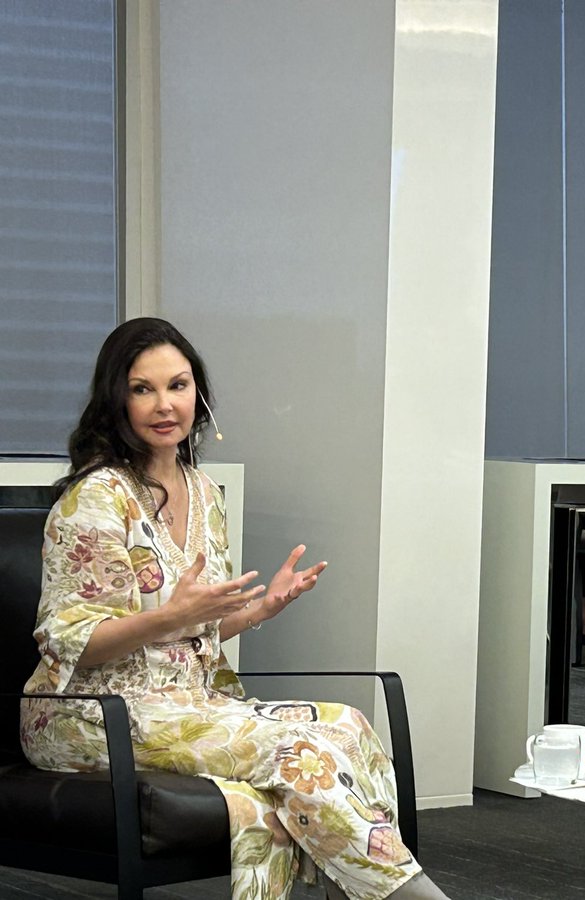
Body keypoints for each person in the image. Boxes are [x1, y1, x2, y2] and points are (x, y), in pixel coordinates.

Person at [19, 318, 448, 900]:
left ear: (199, 394)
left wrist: (261, 610)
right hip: (92, 714)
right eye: (142, 388)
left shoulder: (201, 491)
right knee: (299, 753)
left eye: (178, 385)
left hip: (186, 703)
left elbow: (195, 632)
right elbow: (72, 642)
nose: (164, 404)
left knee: (349, 723)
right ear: (115, 399)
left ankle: (356, 891)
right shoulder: (95, 497)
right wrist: (169, 616)